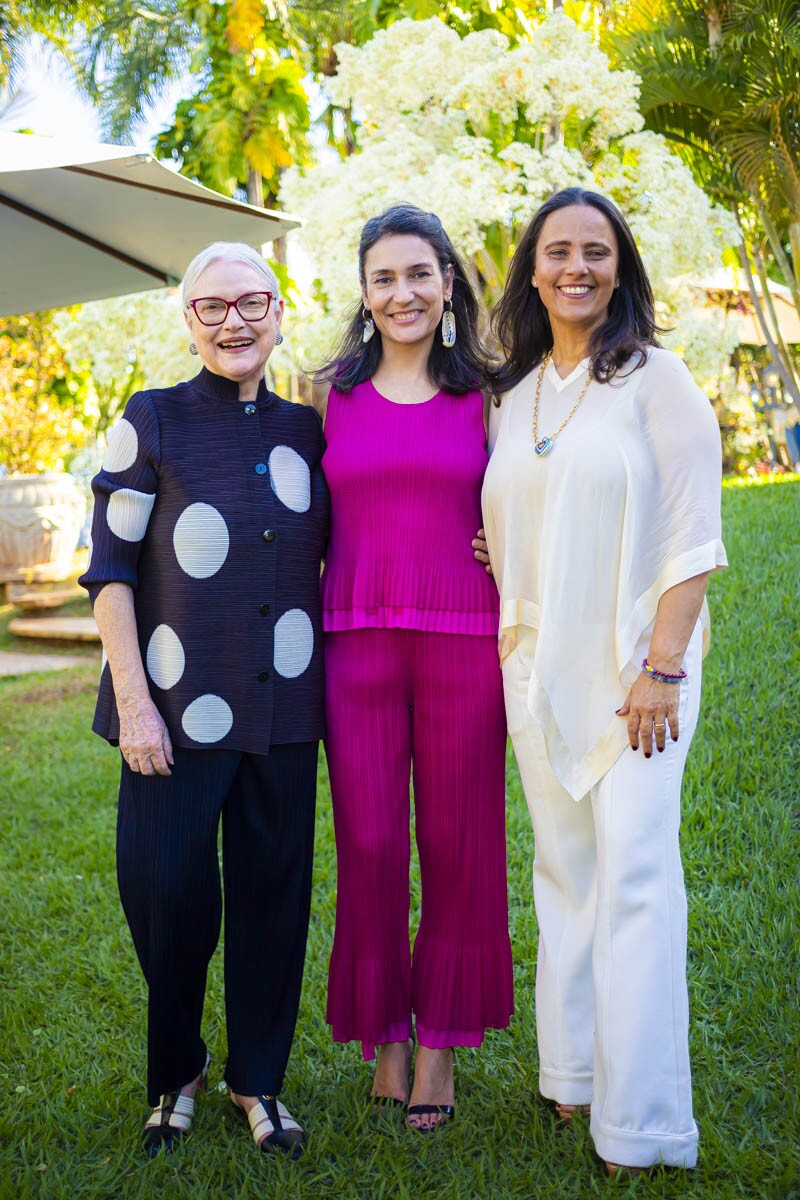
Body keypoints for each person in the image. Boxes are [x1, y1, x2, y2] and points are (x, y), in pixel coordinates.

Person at [480, 188, 727, 1175]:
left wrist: (662, 666)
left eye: (594, 251)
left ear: (617, 268)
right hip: (533, 666)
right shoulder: (515, 393)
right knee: (564, 873)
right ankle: (570, 1075)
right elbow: (522, 506)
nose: (574, 268)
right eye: (556, 253)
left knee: (631, 879)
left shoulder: (656, 380)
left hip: (637, 675)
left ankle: (641, 1124)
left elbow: (691, 533)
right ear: (530, 272)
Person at [79, 242, 328, 1159]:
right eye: (213, 307)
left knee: (273, 900)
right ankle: (176, 1067)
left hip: (285, 710)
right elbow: (108, 572)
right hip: (171, 715)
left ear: (276, 310)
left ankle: (257, 1081)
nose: (236, 321)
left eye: (253, 302)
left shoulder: (309, 429)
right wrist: (135, 704)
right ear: (189, 321)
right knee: (165, 891)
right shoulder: (150, 420)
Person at [313, 204, 513, 1131]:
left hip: (463, 638)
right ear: (364, 291)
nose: (403, 293)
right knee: (371, 843)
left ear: (447, 285)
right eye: (384, 277)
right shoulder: (329, 394)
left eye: (419, 275)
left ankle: (439, 1046)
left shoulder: (489, 393)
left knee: (459, 840)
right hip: (353, 639)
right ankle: (385, 1032)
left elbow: (529, 499)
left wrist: (506, 549)